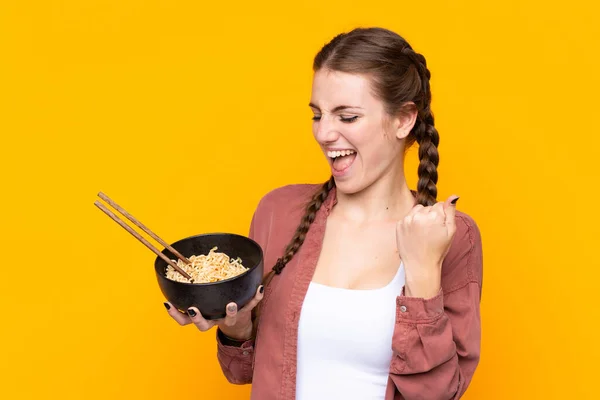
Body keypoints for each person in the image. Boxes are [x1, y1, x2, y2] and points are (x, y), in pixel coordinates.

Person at [163, 26, 483, 400]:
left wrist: (424, 272)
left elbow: (438, 395)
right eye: (318, 115)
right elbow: (245, 371)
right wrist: (236, 326)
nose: (324, 133)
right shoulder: (277, 212)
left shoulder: (450, 235)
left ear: (403, 119)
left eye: (347, 117)